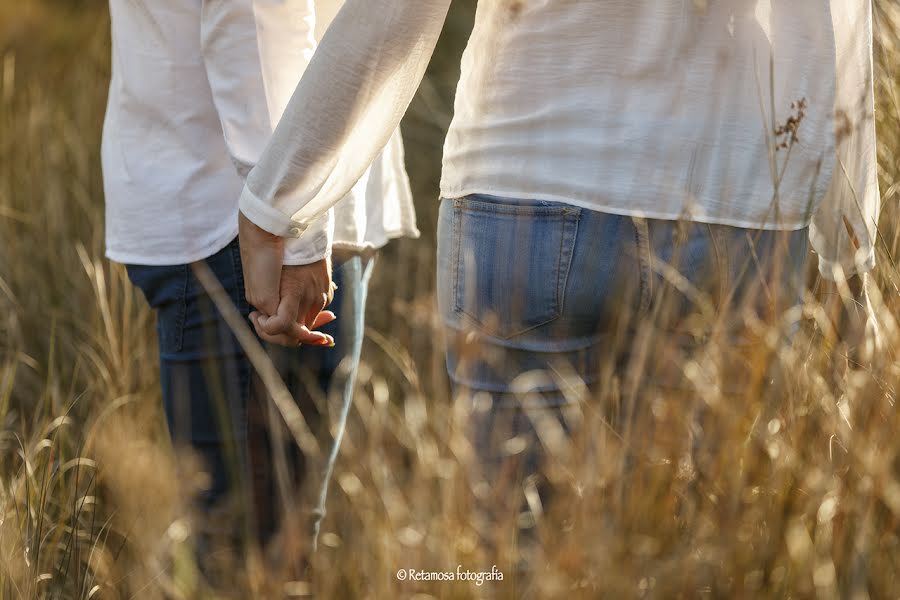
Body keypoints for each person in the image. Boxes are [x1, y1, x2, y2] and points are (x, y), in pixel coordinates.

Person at [236, 0, 880, 561]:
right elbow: (840, 21)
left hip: (530, 187)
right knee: (702, 558)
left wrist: (279, 201)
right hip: (743, 205)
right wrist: (852, 246)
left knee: (512, 552)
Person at [101, 0, 417, 558]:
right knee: (257, 548)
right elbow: (253, 14)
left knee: (258, 542)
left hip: (242, 208)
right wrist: (290, 224)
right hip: (252, 229)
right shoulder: (284, 228)